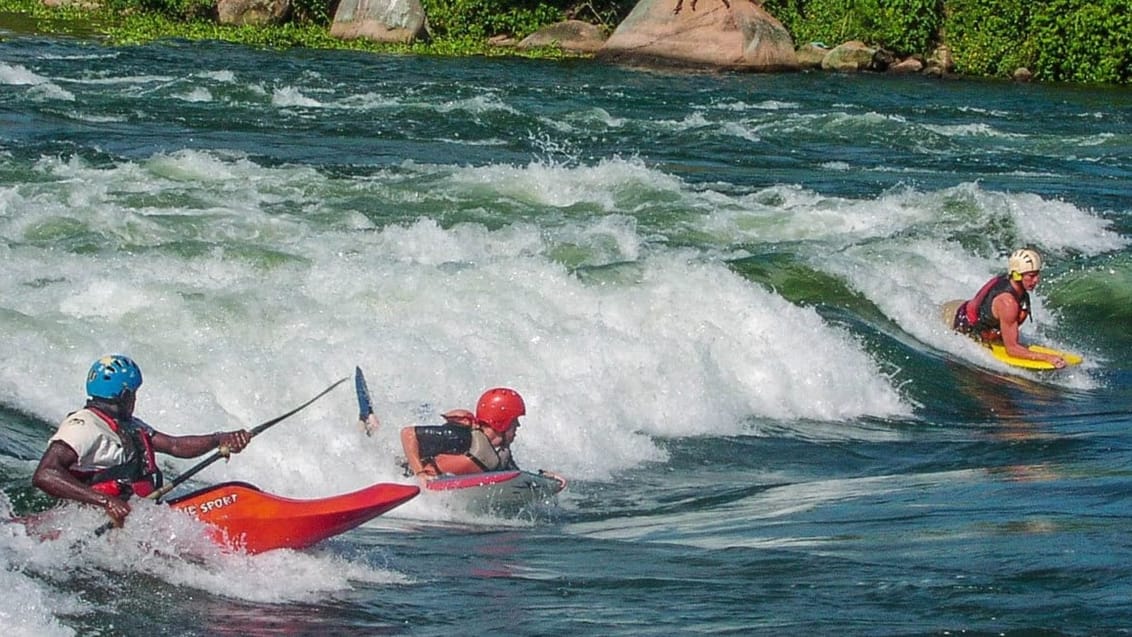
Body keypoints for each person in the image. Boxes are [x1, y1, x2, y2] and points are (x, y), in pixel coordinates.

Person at [32, 354, 252, 526]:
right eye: (134, 393)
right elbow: (45, 474)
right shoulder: (83, 425)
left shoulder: (128, 425)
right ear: (125, 395)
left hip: (136, 516)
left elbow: (174, 445)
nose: (135, 398)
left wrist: (220, 439)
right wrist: (106, 501)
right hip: (92, 521)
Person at [950, 248, 1067, 369]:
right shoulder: (1007, 303)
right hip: (960, 321)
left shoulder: (1010, 281)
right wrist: (1048, 358)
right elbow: (1012, 350)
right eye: (1031, 276)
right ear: (1017, 276)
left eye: (1037, 274)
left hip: (966, 309)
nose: (1037, 280)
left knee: (1021, 314)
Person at [400, 387, 525, 483]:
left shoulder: (500, 454)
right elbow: (408, 434)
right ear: (501, 423)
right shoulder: (460, 436)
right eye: (514, 421)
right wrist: (420, 474)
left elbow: (516, 477)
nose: (518, 426)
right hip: (405, 475)